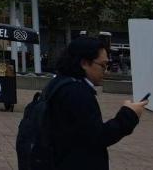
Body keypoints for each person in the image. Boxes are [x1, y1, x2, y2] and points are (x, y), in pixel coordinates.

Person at [43, 36, 147, 169]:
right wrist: (129, 114)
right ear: (84, 63)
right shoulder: (77, 92)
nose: (106, 70)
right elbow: (98, 137)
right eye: (103, 65)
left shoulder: (59, 83)